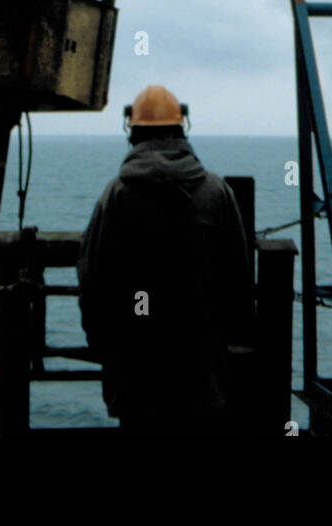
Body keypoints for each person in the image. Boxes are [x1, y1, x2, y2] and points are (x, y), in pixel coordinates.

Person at [77, 84, 254, 432]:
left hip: (135, 372)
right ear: (182, 128)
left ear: (132, 132)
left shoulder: (116, 195)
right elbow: (239, 279)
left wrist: (100, 344)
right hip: (202, 371)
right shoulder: (217, 192)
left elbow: (92, 277)